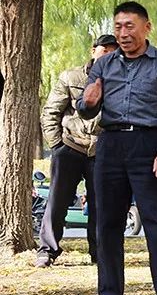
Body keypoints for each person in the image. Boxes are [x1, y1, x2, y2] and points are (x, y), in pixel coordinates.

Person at [77, 1, 157, 295]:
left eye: (130, 26)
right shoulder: (103, 65)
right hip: (109, 145)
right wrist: (88, 103)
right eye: (119, 27)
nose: (123, 33)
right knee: (107, 222)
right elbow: (86, 108)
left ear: (146, 27)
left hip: (148, 144)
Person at [36, 34, 118, 267]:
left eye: (114, 52)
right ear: (94, 51)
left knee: (101, 204)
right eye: (104, 51)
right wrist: (57, 145)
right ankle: (47, 250)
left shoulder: (121, 81)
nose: (108, 56)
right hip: (70, 147)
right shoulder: (71, 77)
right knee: (57, 201)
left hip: (102, 150)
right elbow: (51, 111)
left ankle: (99, 252)